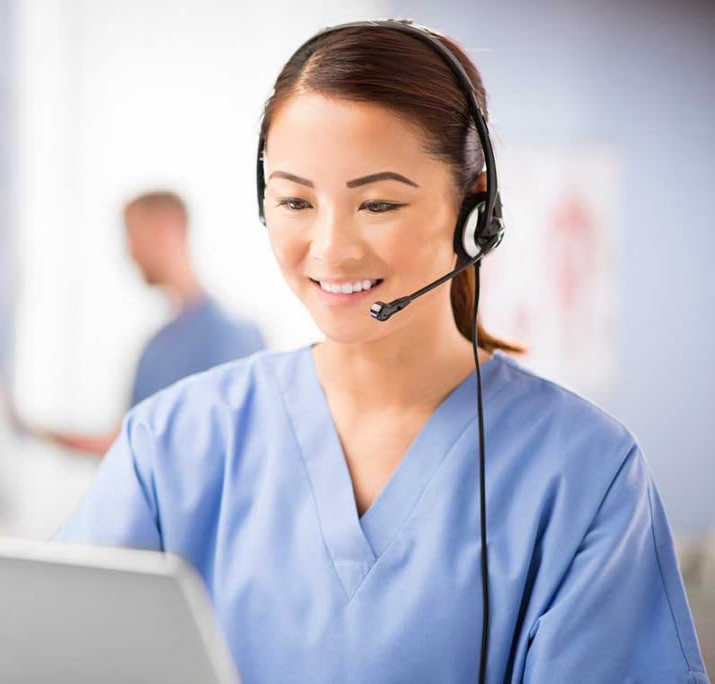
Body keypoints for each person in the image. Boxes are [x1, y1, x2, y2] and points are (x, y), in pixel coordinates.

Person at [51, 20, 709, 684]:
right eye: (295, 200)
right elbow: (42, 653)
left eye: (379, 203)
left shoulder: (585, 473)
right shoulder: (172, 443)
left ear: (474, 213)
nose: (332, 248)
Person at [38, 191, 266, 457]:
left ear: (168, 229)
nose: (129, 251)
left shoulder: (233, 337)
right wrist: (44, 434)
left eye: (133, 234)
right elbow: (132, 443)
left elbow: (234, 447)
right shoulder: (156, 347)